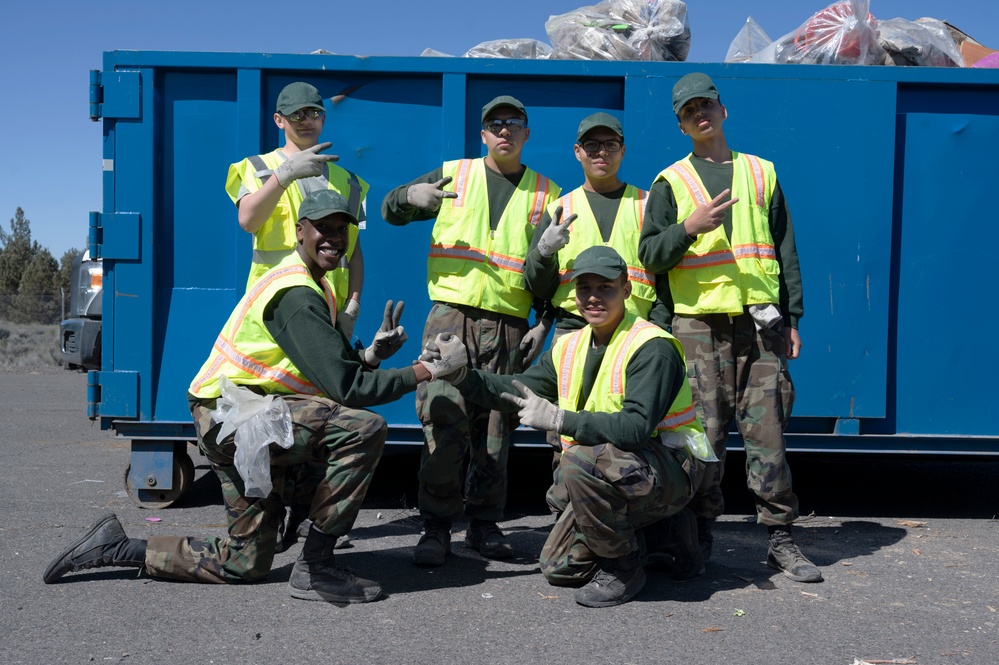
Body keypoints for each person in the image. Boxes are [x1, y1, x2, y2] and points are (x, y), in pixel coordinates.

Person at [43, 189, 467, 604]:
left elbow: (330, 377)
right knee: (362, 429)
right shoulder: (297, 294)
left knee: (243, 564)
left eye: (342, 229)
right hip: (233, 420)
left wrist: (372, 355)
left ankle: (115, 548)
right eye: (323, 228)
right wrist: (428, 370)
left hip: (244, 416)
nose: (334, 238)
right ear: (300, 231)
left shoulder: (312, 286)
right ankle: (316, 566)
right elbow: (349, 390)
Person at [425, 246, 715, 607]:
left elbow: (636, 429)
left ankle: (624, 567)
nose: (593, 298)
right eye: (584, 288)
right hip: (622, 467)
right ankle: (665, 534)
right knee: (559, 568)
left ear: (626, 290)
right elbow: (517, 389)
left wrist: (559, 419)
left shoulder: (651, 346)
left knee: (579, 463)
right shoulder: (571, 346)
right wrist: (461, 376)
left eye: (605, 288)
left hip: (673, 468)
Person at [637, 72, 822, 583]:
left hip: (761, 326)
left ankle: (781, 539)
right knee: (704, 437)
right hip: (697, 327)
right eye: (689, 110)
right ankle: (699, 537)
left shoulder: (761, 172)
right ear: (680, 124)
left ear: (723, 111)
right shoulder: (671, 182)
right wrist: (688, 228)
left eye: (707, 105)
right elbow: (648, 254)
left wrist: (793, 317)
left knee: (769, 434)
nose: (701, 114)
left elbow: (784, 249)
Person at [381, 95, 561, 566]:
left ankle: (484, 524)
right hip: (450, 319)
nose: (504, 131)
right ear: (483, 134)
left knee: (496, 426)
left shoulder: (548, 192)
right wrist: (407, 197)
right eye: (494, 124)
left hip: (508, 324)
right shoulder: (454, 174)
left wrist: (544, 321)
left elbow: (551, 270)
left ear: (526, 133)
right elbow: (387, 210)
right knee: (443, 419)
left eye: (514, 123)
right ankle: (436, 527)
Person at [226, 81, 368, 340]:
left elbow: (355, 253)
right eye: (296, 114)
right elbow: (247, 221)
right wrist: (285, 174)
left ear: (323, 119)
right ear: (279, 120)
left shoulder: (351, 183)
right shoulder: (257, 168)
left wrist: (353, 308)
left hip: (329, 309)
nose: (306, 120)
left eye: (313, 113)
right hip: (274, 306)